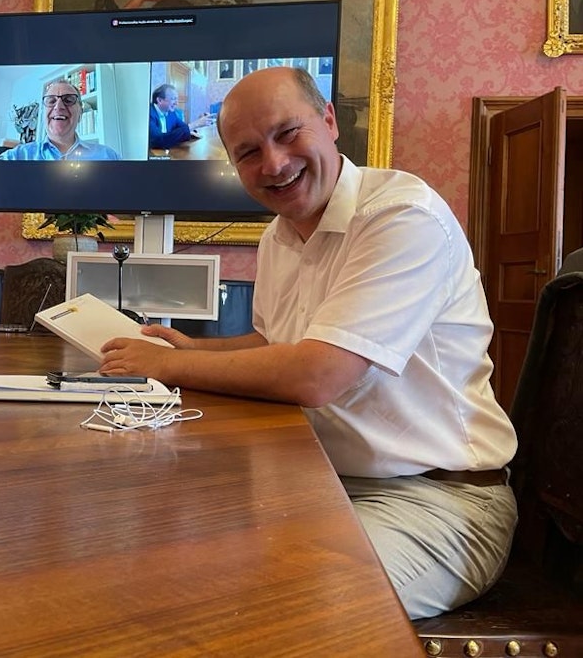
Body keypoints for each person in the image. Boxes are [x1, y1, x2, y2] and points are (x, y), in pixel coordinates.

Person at [100, 67, 518, 620]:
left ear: (329, 120)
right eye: (249, 152)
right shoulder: (279, 235)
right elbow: (274, 341)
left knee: (283, 605)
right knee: (149, 552)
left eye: (287, 133)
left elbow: (316, 374)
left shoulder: (401, 216)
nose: (273, 164)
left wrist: (168, 367)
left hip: (438, 500)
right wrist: (190, 351)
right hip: (316, 479)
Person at [0, 80, 121, 161]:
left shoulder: (109, 157)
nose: (58, 107)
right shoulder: (15, 157)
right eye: (51, 101)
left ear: (80, 113)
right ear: (43, 114)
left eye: (68, 100)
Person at [148, 84, 212, 150]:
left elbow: (183, 126)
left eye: (176, 99)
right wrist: (196, 124)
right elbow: (158, 140)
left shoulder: (171, 113)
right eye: (173, 99)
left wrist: (199, 121)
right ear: (160, 100)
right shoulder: (148, 114)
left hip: (167, 151)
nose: (176, 103)